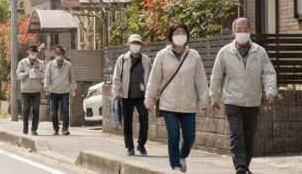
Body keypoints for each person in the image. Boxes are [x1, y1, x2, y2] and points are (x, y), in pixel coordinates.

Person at [209, 18, 277, 174]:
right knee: (236, 134)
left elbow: (268, 73)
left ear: (250, 31)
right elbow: (216, 77)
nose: (242, 32)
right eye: (239, 29)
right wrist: (214, 97)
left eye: (246, 29)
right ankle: (240, 165)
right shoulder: (225, 52)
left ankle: (245, 165)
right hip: (232, 100)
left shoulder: (260, 52)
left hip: (253, 101)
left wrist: (270, 90)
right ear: (233, 32)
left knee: (249, 136)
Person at [146, 22, 209, 173]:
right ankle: (175, 165)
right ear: (170, 36)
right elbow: (154, 79)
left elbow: (200, 80)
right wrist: (149, 100)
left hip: (189, 103)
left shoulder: (194, 55)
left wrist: (204, 100)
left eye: (183, 33)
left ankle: (182, 156)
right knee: (173, 135)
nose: (180, 36)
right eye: (176, 33)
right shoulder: (162, 55)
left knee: (190, 136)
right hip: (169, 103)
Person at [112, 34, 153, 156]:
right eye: (133, 43)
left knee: (144, 119)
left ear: (141, 46)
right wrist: (116, 92)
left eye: (138, 44)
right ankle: (129, 146)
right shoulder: (122, 59)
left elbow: (151, 78)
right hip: (126, 95)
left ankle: (141, 144)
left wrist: (152, 94)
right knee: (127, 121)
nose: (135, 46)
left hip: (142, 95)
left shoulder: (146, 60)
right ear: (128, 45)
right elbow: (116, 77)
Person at [43, 45, 77, 136]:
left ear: (63, 54)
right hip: (54, 91)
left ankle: (65, 129)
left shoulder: (68, 65)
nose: (57, 55)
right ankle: (56, 129)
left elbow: (72, 78)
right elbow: (47, 77)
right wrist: (46, 87)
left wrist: (73, 88)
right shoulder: (50, 64)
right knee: (53, 112)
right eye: (56, 53)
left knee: (65, 110)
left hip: (65, 91)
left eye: (59, 53)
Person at [17, 44, 46, 135]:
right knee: (26, 109)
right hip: (26, 90)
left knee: (36, 110)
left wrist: (38, 74)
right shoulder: (22, 62)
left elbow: (44, 76)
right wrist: (25, 74)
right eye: (31, 52)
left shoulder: (40, 63)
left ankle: (34, 129)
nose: (33, 54)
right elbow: (18, 75)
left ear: (37, 53)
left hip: (37, 90)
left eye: (34, 52)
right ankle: (25, 128)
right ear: (28, 52)